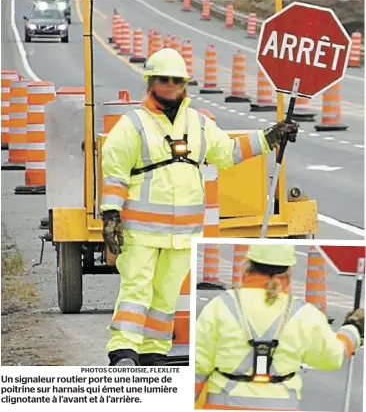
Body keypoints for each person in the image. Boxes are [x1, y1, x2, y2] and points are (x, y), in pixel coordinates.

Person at [100, 48, 299, 367]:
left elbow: (228, 152)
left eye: (175, 80)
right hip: (141, 229)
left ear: (184, 85)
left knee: (165, 295)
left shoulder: (198, 124)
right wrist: (111, 215)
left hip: (183, 233)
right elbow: (114, 171)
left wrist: (269, 138)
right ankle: (123, 350)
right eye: (162, 79)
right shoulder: (133, 124)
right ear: (151, 82)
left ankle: (153, 351)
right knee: (136, 289)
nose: (169, 85)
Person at [195, 244, 364, 410]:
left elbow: (197, 367)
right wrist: (352, 330)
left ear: (247, 266)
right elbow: (332, 357)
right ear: (288, 273)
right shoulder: (303, 313)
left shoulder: (220, 306)